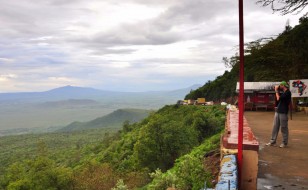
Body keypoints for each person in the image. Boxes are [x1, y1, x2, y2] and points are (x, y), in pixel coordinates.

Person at [266, 81, 291, 148]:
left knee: (283, 127)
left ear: (283, 85)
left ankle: (284, 143)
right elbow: (278, 100)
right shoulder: (283, 93)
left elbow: (278, 98)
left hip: (283, 112)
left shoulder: (288, 92)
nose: (279, 86)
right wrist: (277, 92)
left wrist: (276, 90)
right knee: (275, 127)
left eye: (280, 85)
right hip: (278, 111)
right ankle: (272, 142)